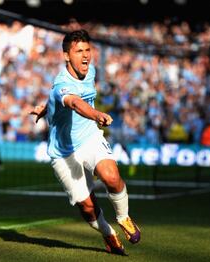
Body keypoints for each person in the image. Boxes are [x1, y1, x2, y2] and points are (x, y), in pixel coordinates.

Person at [30, 29, 140, 255]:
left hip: (90, 137)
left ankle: (123, 217)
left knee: (111, 176)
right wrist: (96, 114)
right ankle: (109, 234)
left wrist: (47, 107)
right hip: (63, 154)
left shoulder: (91, 72)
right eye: (78, 51)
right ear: (66, 56)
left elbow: (62, 97)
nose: (85, 55)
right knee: (87, 207)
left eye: (87, 50)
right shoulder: (62, 83)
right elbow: (74, 102)